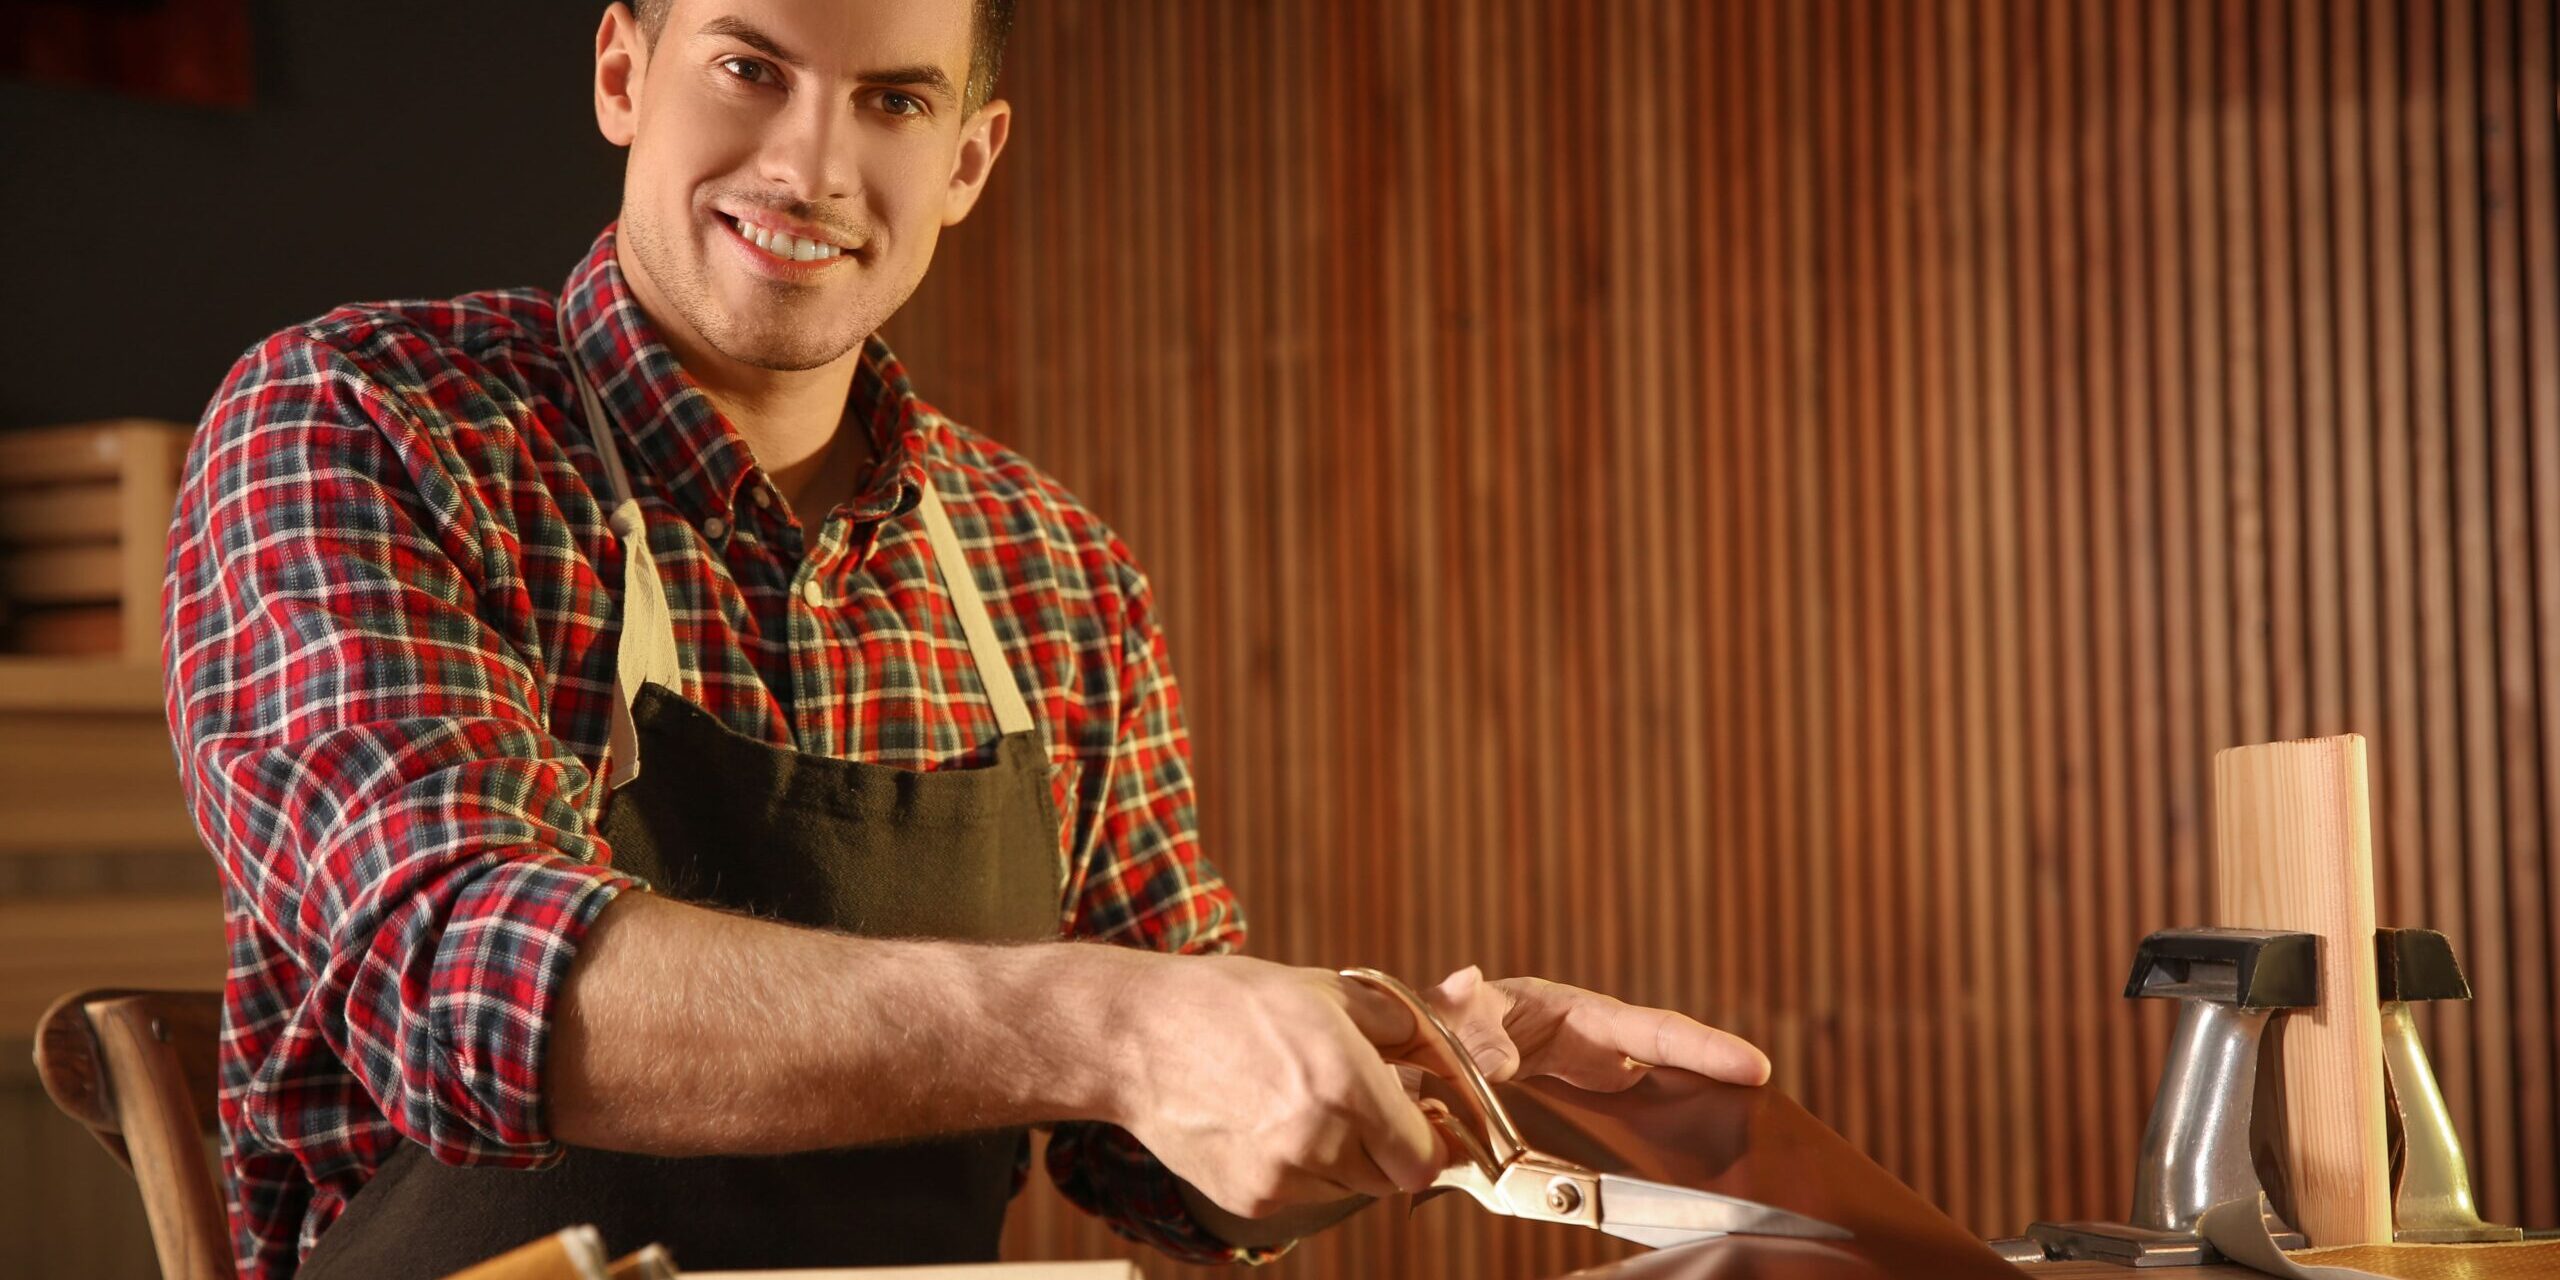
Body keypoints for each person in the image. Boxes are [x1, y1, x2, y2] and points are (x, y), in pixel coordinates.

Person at [162, 2, 1773, 1276]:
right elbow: (470, 982)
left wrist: (1422, 1074)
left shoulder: (1048, 565)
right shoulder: (360, 422)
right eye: (749, 67)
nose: (811, 166)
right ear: (622, 70)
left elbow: (1156, 1168)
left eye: (895, 101)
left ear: (973, 159)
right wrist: (1118, 1024)